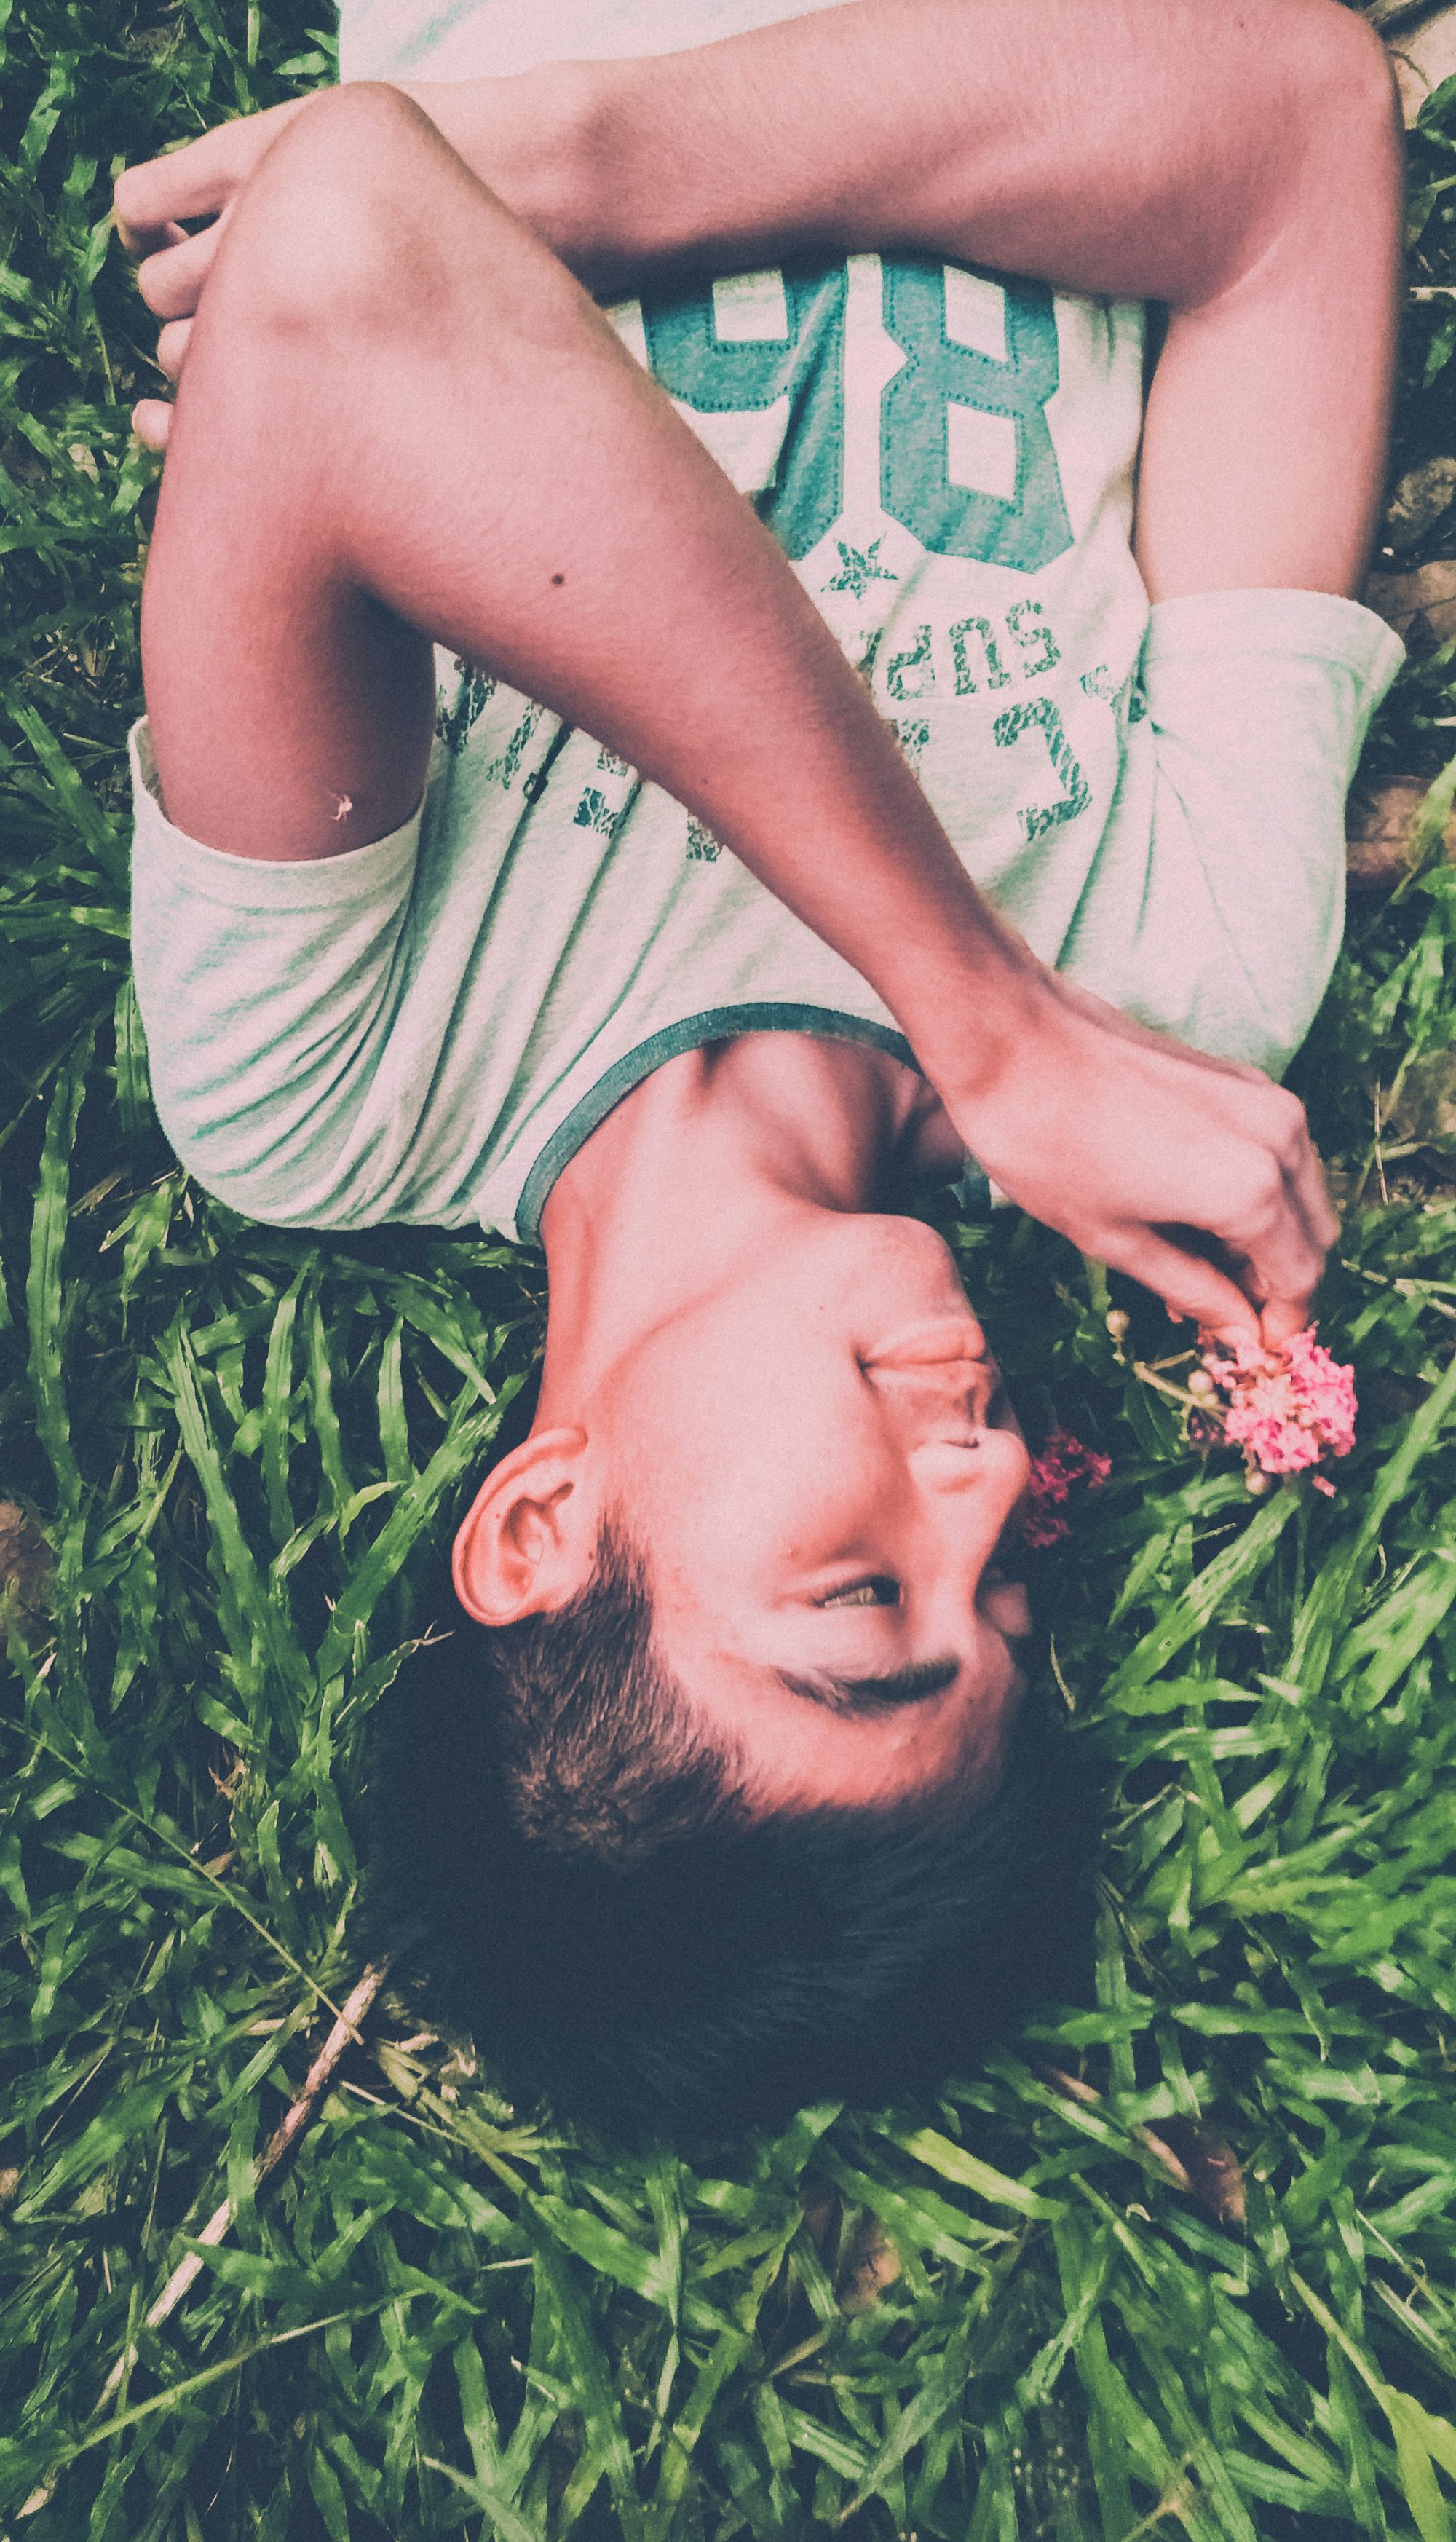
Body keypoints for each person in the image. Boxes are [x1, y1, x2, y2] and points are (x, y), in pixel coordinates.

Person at [114, 0, 1404, 2134]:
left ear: (541, 1526)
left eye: (859, 1592)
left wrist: (527, 185)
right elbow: (1294, 126)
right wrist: (515, 210)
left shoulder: (328, 1082)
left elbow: (340, 250)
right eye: (995, 1597)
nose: (987, 1483)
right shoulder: (1182, 985)